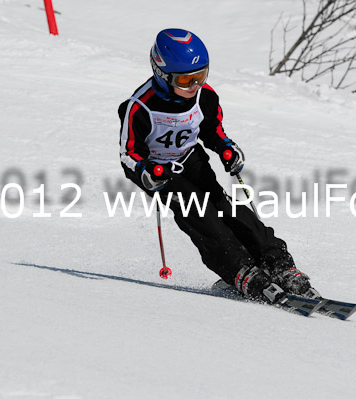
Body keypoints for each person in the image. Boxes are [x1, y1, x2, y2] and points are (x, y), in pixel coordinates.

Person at [118, 28, 316, 303]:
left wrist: (226, 149)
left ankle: (280, 266)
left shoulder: (205, 97)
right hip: (163, 174)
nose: (194, 86)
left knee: (231, 211)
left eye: (201, 76)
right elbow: (128, 154)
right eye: (186, 80)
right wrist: (146, 174)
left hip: (192, 161)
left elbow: (213, 130)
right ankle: (240, 271)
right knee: (203, 219)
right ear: (162, 75)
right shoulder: (140, 107)